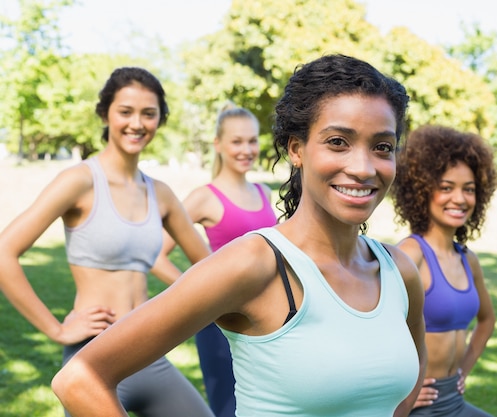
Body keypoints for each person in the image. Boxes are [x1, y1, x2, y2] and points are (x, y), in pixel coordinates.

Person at [52, 53, 427, 417]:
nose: (363, 168)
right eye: (338, 142)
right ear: (296, 149)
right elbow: (80, 379)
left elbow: (405, 386)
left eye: (382, 147)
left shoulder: (400, 272)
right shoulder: (255, 264)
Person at [0, 67, 214, 417]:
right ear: (105, 114)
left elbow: (209, 270)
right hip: (95, 359)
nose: (137, 123)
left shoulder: (161, 194)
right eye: (125, 111)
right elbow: (4, 252)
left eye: (149, 113)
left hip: (150, 353)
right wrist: (56, 329)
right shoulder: (79, 181)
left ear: (160, 119)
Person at [151, 102, 277, 417]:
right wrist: (204, 294)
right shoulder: (204, 197)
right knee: (228, 408)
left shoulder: (263, 192)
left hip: (270, 318)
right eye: (237, 141)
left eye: (252, 140)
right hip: (221, 323)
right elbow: (154, 255)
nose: (247, 149)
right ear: (218, 145)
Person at [390, 125, 497, 416]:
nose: (460, 199)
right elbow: (369, 334)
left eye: (469, 189)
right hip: (417, 406)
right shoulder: (410, 255)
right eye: (446, 187)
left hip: (454, 399)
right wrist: (401, 390)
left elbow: (487, 321)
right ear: (422, 189)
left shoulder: (467, 259)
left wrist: (464, 370)